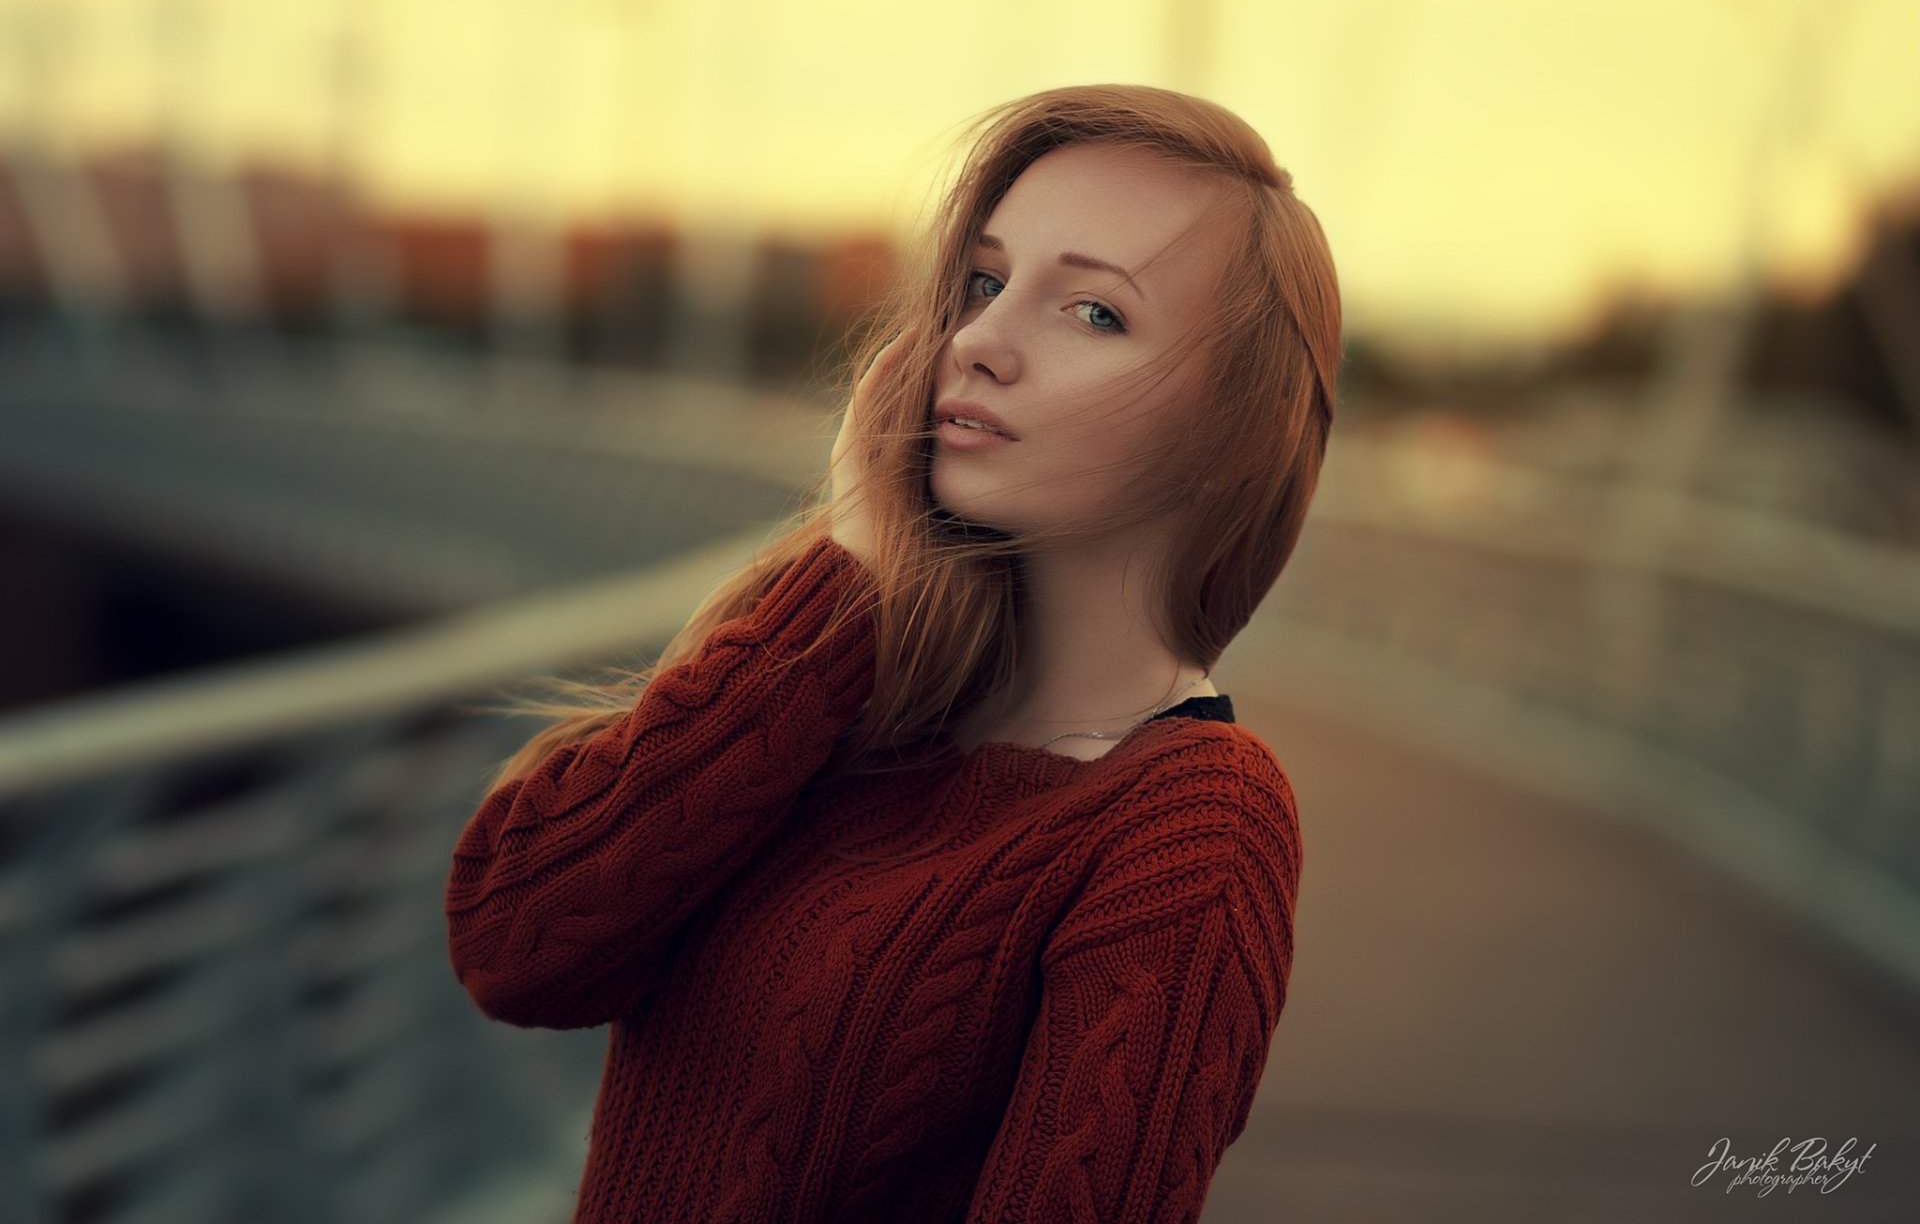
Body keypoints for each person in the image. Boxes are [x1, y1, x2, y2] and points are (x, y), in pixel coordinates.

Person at [444, 82, 1340, 1223]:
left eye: (1094, 312)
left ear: (1232, 426)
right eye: (984, 281)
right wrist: (855, 566)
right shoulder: (847, 686)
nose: (981, 342)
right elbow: (517, 945)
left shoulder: (1192, 819)